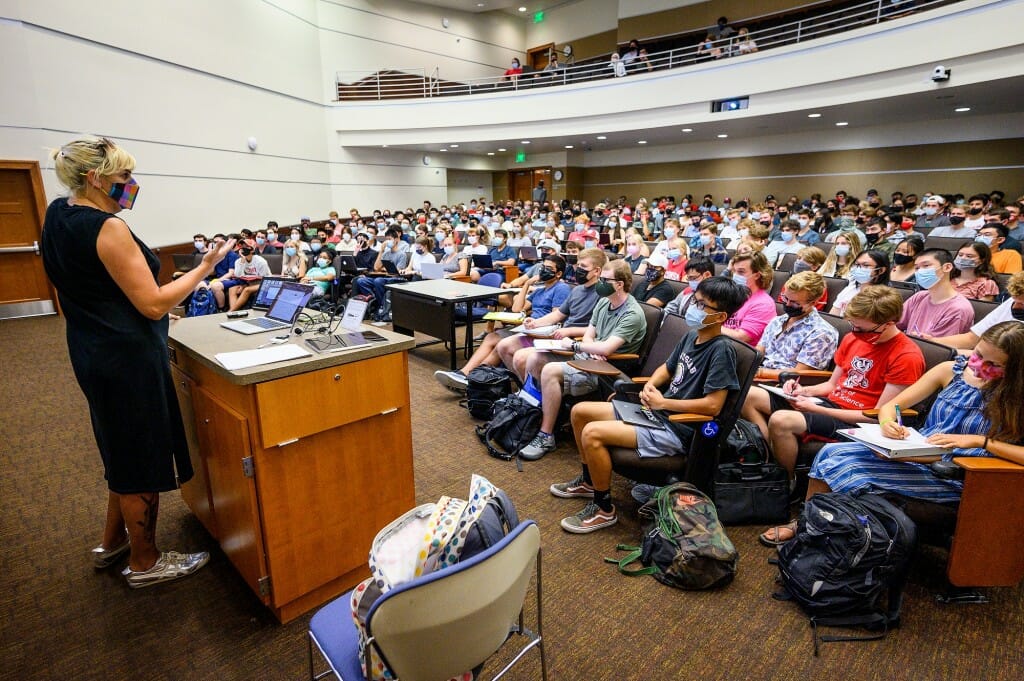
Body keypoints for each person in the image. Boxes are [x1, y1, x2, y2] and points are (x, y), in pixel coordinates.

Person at [40, 136, 227, 587]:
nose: (132, 184)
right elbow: (152, 305)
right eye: (124, 176)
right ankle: (145, 560)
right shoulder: (109, 228)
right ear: (96, 178)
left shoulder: (57, 214)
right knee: (140, 452)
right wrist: (205, 268)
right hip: (126, 357)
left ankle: (113, 542)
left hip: (91, 346)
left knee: (118, 446)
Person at [761, 321, 1024, 545]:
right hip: (921, 453)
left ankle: (821, 530)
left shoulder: (1017, 397)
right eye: (977, 355)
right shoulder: (951, 370)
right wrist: (887, 422)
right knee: (833, 451)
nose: (978, 366)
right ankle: (811, 523)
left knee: (848, 466)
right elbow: (891, 406)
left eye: (993, 365)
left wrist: (983, 441)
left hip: (961, 473)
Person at [550, 276, 747, 533]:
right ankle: (589, 483)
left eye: (702, 305)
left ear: (720, 316)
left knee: (592, 432)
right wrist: (650, 386)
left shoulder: (721, 350)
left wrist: (664, 401)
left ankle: (603, 508)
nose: (693, 308)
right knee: (580, 412)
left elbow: (713, 406)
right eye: (695, 302)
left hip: (678, 429)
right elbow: (667, 368)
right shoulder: (691, 337)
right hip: (659, 412)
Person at [742, 286, 925, 479]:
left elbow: (876, 416)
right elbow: (831, 385)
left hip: (857, 421)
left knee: (782, 420)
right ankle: (770, 459)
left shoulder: (906, 356)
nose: (855, 332)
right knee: (749, 395)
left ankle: (784, 482)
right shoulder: (853, 338)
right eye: (853, 325)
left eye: (861, 328)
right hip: (831, 404)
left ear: (888, 324)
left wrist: (816, 409)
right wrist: (804, 391)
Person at [519, 258, 648, 461]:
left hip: (607, 369)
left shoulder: (632, 313)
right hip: (589, 357)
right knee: (534, 358)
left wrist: (577, 345)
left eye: (605, 279)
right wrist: (590, 345)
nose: (600, 283)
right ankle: (533, 415)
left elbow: (607, 348)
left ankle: (546, 435)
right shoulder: (605, 301)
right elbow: (590, 334)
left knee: (550, 371)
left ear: (619, 284)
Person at [434, 254, 571, 391]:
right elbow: (517, 308)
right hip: (527, 328)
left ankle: (470, 378)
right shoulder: (541, 290)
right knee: (492, 336)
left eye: (548, 268)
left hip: (541, 333)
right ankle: (465, 375)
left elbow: (556, 317)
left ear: (558, 274)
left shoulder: (561, 288)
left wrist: (535, 323)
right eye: (542, 267)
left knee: (499, 344)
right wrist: (527, 284)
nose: (543, 271)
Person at [748, 272, 839, 384]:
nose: (788, 304)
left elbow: (799, 374)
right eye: (785, 298)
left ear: (813, 303)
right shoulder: (778, 321)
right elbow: (759, 352)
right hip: (759, 375)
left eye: (795, 303)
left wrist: (757, 372)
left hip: (786, 386)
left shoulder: (822, 333)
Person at [930, 271, 1024, 350]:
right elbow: (972, 338)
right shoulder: (1013, 301)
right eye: (1014, 300)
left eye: (1022, 304)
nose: (1015, 306)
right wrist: (932, 341)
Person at [898, 248, 974, 337]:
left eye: (926, 266)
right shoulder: (919, 296)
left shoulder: (958, 309)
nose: (920, 271)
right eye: (917, 268)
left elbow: (936, 348)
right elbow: (894, 324)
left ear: (947, 267)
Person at [722, 251, 775, 345]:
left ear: (757, 275)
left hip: (737, 353)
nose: (735, 275)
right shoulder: (731, 295)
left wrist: (711, 327)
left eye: (741, 272)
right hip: (719, 345)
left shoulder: (764, 304)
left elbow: (742, 337)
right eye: (734, 271)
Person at [829, 250, 891, 316]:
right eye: (857, 264)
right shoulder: (850, 289)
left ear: (881, 270)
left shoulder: (885, 298)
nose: (859, 268)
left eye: (865, 265)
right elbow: (832, 317)